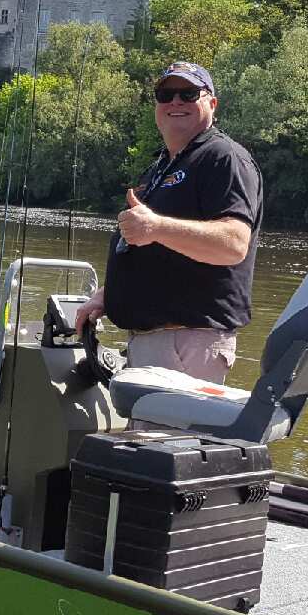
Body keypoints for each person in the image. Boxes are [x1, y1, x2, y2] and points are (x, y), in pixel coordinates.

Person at [73, 61, 262, 384]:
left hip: (188, 343)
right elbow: (157, 252)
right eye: (166, 94)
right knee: (145, 435)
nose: (176, 102)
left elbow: (233, 244)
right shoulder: (162, 167)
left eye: (188, 94)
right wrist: (110, 295)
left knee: (167, 437)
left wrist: (157, 227)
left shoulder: (223, 158)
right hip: (152, 343)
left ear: (211, 103)